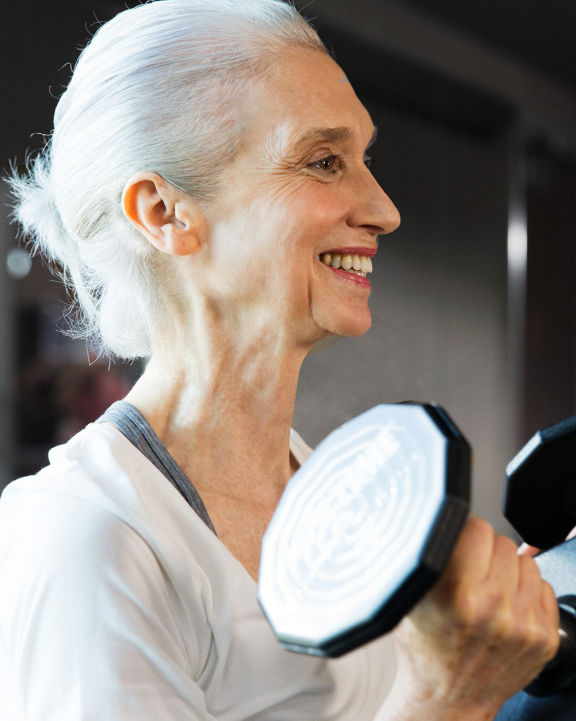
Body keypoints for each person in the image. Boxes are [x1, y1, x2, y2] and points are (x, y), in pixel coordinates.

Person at [0, 1, 560, 719]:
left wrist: (516, 619)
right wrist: (446, 696)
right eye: (323, 161)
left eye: (365, 160)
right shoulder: (85, 538)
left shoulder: (329, 491)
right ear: (164, 213)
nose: (383, 208)